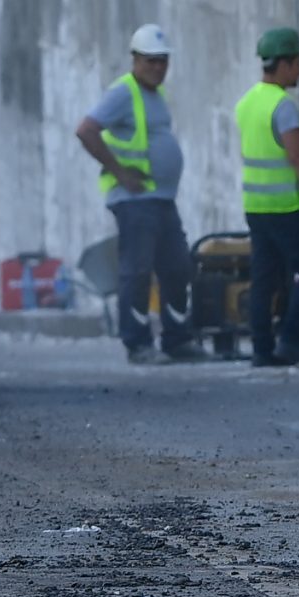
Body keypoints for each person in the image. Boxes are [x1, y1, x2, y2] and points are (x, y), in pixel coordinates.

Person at [75, 24, 203, 365]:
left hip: (161, 199)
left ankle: (177, 339)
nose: (158, 68)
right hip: (135, 202)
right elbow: (86, 130)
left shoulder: (155, 96)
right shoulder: (123, 93)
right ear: (135, 60)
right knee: (138, 271)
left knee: (178, 266)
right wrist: (121, 174)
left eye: (163, 61)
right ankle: (138, 343)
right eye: (151, 61)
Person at [234, 27, 299, 366]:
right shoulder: (283, 107)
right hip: (289, 206)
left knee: (265, 277)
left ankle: (262, 349)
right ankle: (293, 340)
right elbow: (297, 157)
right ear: (283, 64)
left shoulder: (247, 102)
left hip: (256, 205)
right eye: (297, 63)